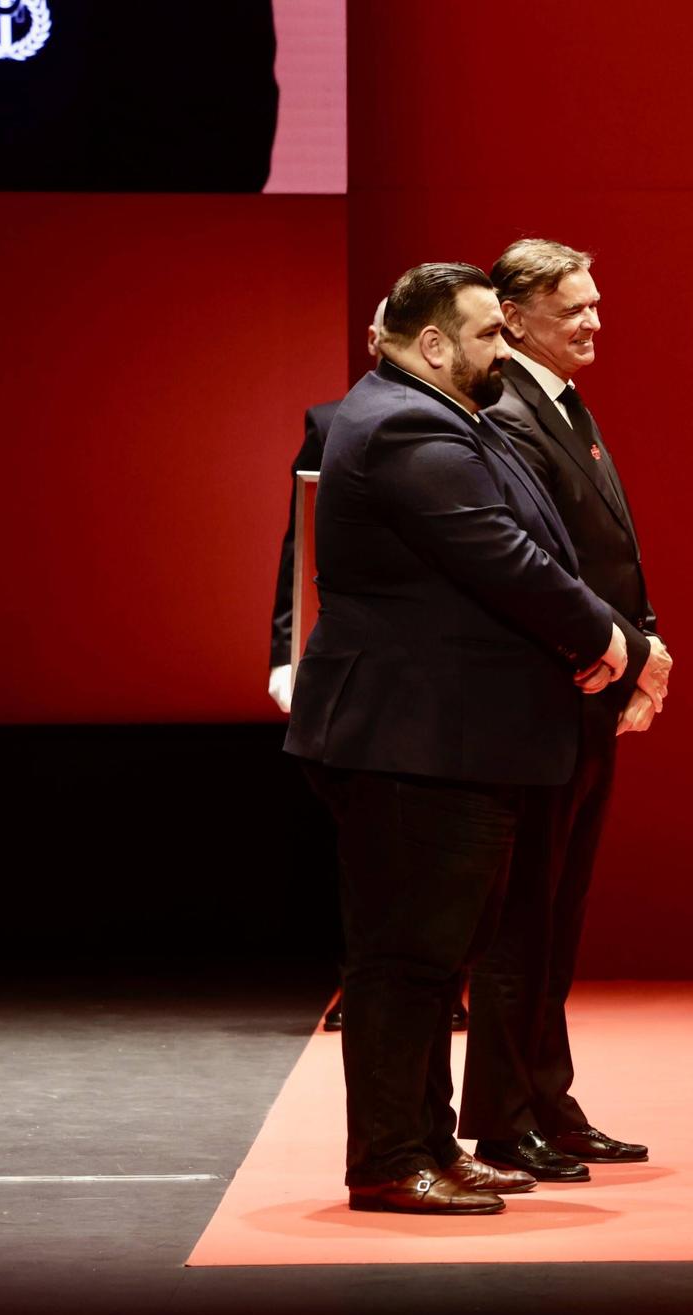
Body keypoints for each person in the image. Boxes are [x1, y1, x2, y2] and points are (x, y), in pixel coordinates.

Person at [286, 262, 631, 1216]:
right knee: (405, 961)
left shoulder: (441, 413)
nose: (503, 348)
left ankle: (431, 1143)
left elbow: (532, 545)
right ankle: (394, 1156)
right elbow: (504, 555)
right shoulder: (403, 422)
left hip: (442, 738)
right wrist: (614, 640)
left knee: (437, 956)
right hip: (410, 739)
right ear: (433, 343)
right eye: (488, 334)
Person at [458, 239, 666, 1182]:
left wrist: (644, 643)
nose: (592, 320)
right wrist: (612, 650)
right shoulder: (506, 408)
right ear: (514, 312)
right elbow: (538, 565)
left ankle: (546, 1094)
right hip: (548, 691)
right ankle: (505, 1116)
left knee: (559, 911)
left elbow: (606, 548)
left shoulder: (560, 404)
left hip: (590, 685)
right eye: (571, 307)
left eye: (595, 303)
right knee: (524, 919)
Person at [268, 302, 468, 1035]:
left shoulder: (472, 422)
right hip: (360, 670)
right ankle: (365, 980)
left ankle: (440, 982)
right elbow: (302, 541)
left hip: (440, 667)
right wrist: (283, 652)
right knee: (369, 848)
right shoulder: (331, 420)